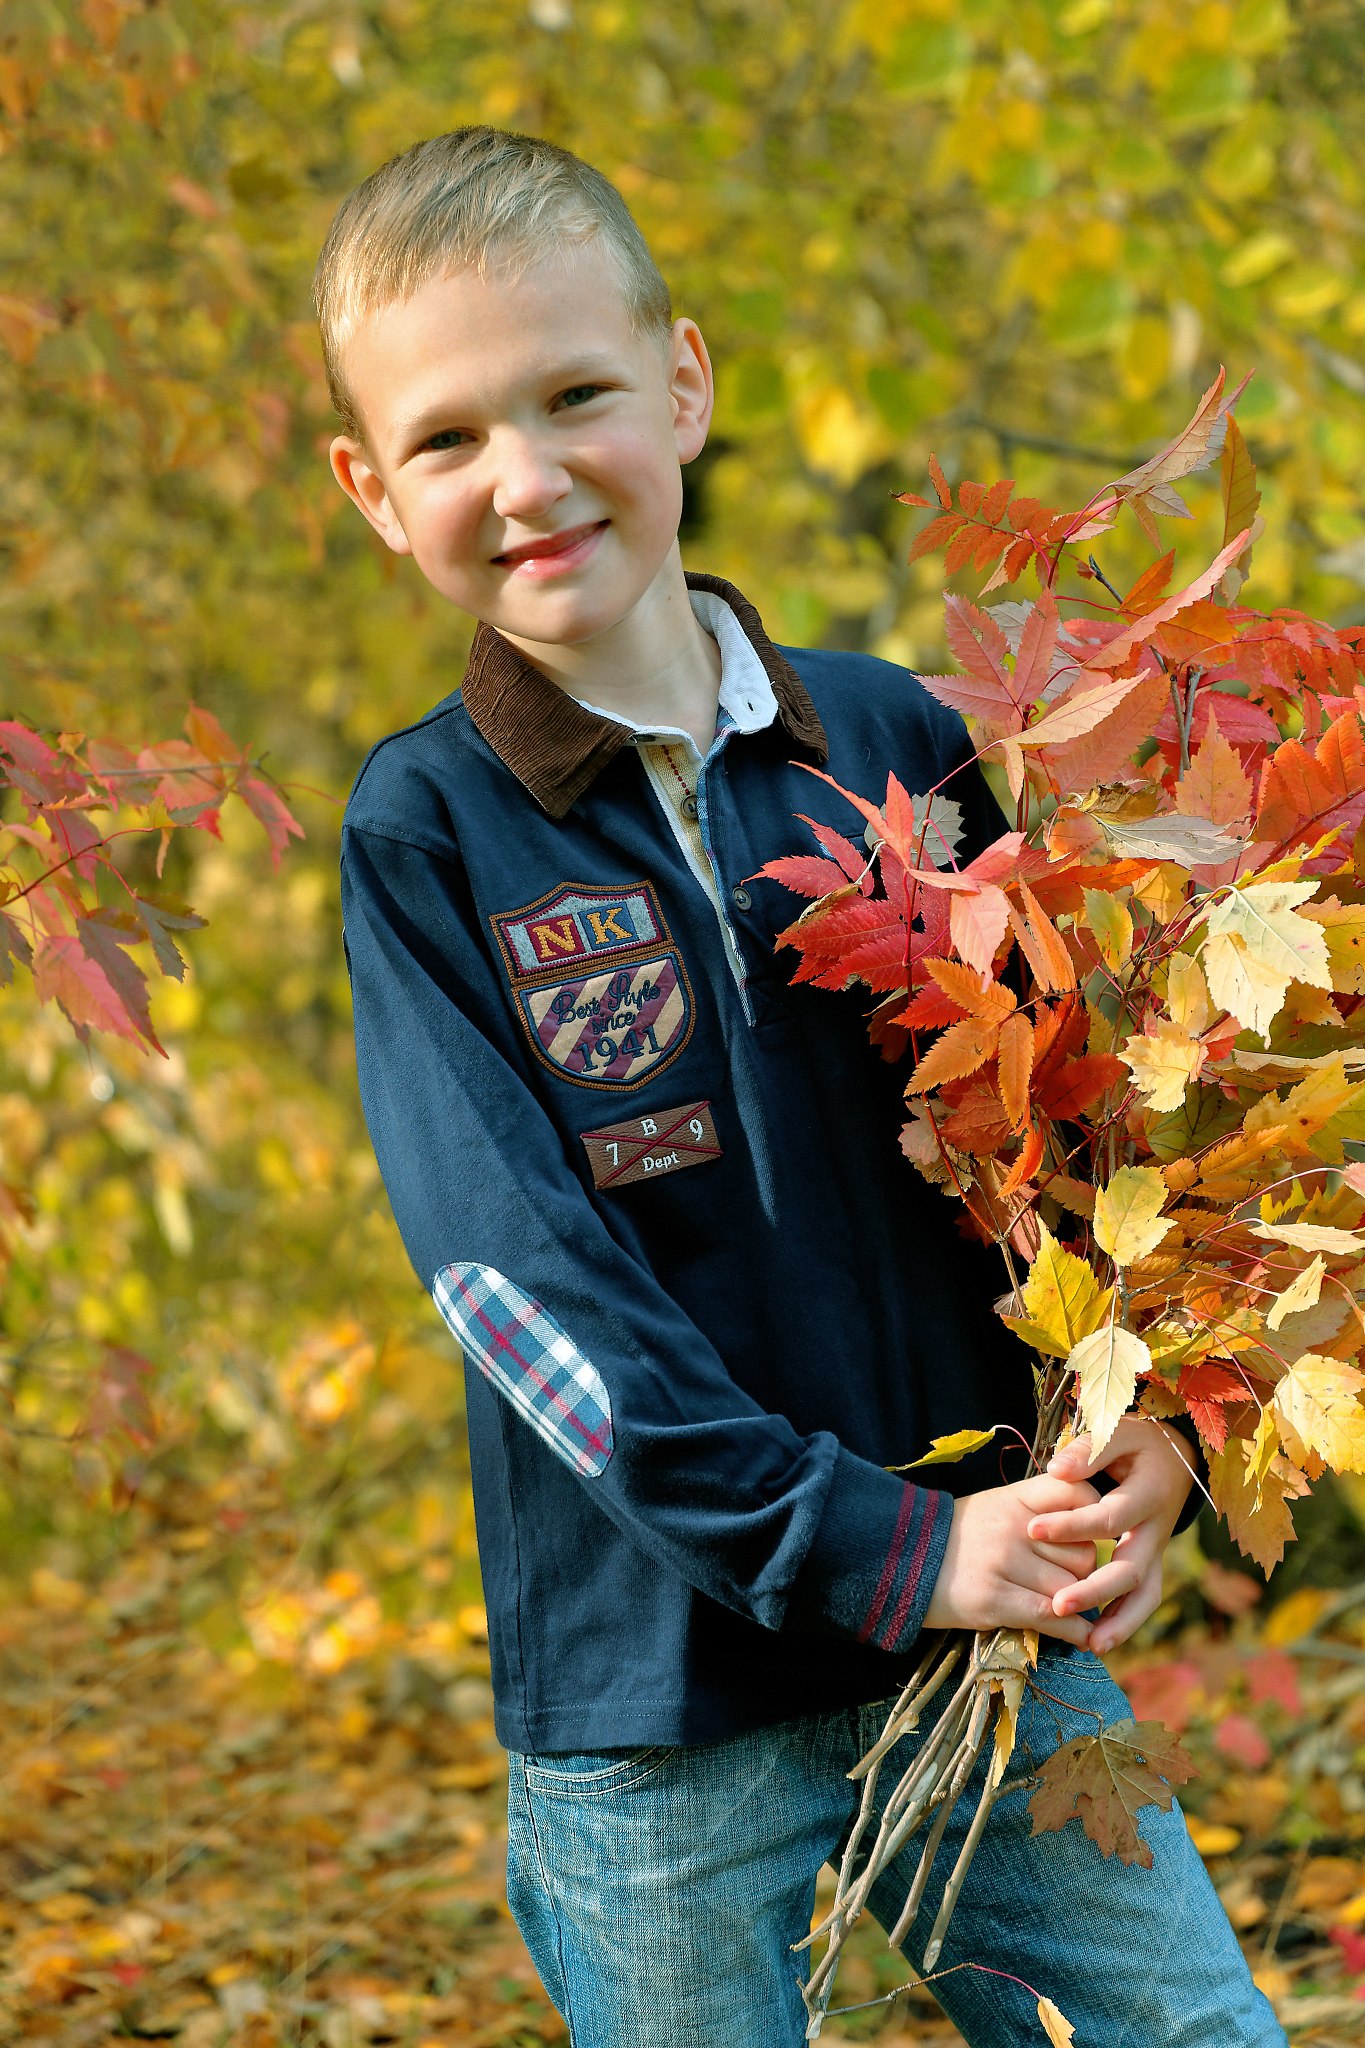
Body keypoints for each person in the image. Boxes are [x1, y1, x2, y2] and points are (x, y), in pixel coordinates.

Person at [317, 127, 1286, 2047]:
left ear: (680, 385)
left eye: (573, 395)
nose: (523, 479)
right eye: (446, 439)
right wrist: (874, 1550)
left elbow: (1081, 1136)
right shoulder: (427, 831)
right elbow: (522, 1296)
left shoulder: (899, 735)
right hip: (658, 1703)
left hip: (998, 1642)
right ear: (370, 489)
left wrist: (1153, 1426)